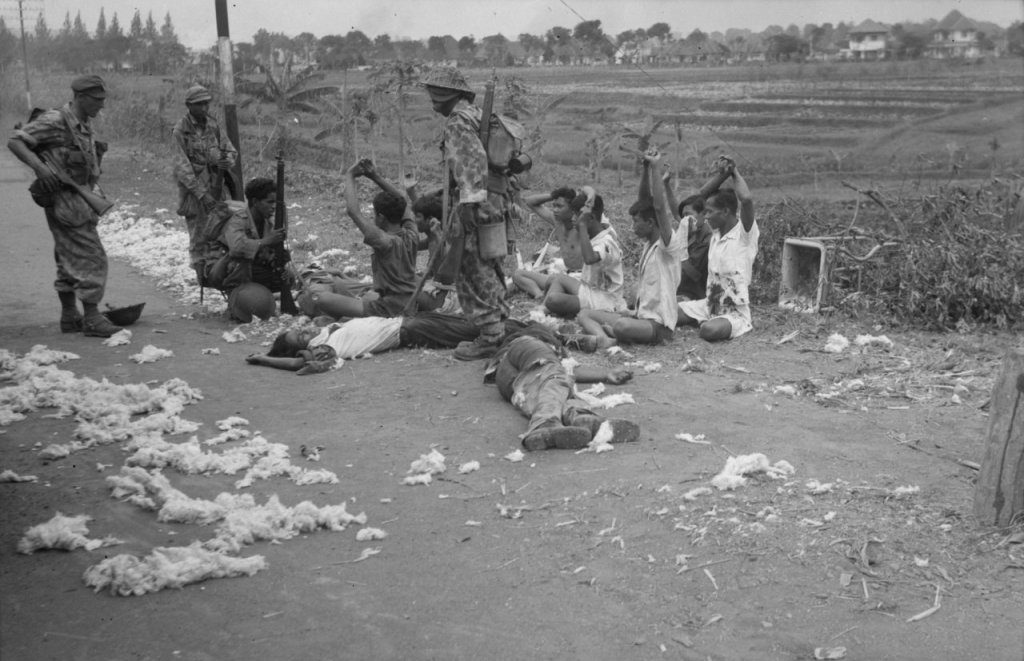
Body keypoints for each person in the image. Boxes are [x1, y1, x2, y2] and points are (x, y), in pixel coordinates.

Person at [7, 74, 121, 338]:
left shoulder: (81, 123)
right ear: (80, 97)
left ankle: (70, 315)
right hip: (65, 201)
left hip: (79, 198)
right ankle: (92, 318)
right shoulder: (56, 120)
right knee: (92, 257)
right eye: (97, 99)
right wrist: (39, 168)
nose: (102, 105)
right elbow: (15, 141)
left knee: (67, 254)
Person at [423, 66, 511, 361]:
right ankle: (496, 325)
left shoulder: (458, 121)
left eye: (434, 97)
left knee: (474, 266)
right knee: (491, 262)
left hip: (477, 203)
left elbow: (472, 161)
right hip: (494, 199)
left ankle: (490, 336)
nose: (433, 104)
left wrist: (469, 205)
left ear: (446, 95)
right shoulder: (476, 115)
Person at [296, 159, 440, 319]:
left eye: (374, 214)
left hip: (387, 308)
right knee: (344, 286)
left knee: (319, 298)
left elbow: (353, 211)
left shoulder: (384, 241)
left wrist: (350, 175)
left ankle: (344, 317)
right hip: (408, 302)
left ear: (381, 217)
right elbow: (403, 203)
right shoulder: (411, 233)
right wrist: (374, 176)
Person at [576, 149, 686, 350]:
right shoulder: (648, 243)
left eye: (636, 222)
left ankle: (615, 332)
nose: (633, 227)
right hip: (640, 317)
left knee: (621, 325)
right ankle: (605, 339)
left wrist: (655, 168)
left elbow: (659, 208)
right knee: (584, 314)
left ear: (651, 223)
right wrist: (645, 169)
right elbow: (645, 200)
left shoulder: (667, 245)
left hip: (659, 326)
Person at [483, 323, 641, 451]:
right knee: (553, 375)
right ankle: (548, 421)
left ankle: (578, 418)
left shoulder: (551, 361)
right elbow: (559, 367)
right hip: (524, 345)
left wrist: (605, 375)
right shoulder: (534, 329)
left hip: (506, 380)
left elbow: (564, 374)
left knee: (548, 384)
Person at [246, 312, 525, 375]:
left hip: (408, 321)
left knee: (469, 323)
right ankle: (521, 332)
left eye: (300, 330)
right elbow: (298, 363)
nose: (305, 332)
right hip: (409, 330)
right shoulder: (326, 348)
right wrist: (264, 359)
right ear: (303, 347)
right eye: (301, 337)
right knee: (469, 329)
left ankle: (519, 327)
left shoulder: (329, 330)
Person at [677, 158, 758, 342]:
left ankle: (715, 323)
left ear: (726, 212)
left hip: (734, 312)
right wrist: (724, 173)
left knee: (708, 331)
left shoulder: (744, 234)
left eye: (709, 212)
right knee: (667, 312)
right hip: (709, 304)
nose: (705, 216)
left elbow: (746, 200)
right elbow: (700, 195)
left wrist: (735, 172)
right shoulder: (716, 232)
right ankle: (705, 319)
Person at [171, 84, 238, 280]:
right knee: (199, 234)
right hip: (194, 193)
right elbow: (182, 169)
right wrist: (202, 195)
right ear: (189, 106)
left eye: (206, 104)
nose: (204, 108)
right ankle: (202, 275)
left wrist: (227, 160)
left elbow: (231, 150)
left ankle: (219, 272)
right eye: (199, 104)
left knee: (221, 229)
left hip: (218, 187)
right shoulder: (180, 131)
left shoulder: (213, 126)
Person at [203, 177, 292, 322]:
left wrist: (279, 258)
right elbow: (237, 248)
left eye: (275, 202)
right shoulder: (238, 220)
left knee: (286, 277)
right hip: (226, 270)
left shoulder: (267, 223)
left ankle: (254, 297)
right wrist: (266, 241)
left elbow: (264, 252)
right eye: (269, 202)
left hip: (248, 268)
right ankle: (238, 299)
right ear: (255, 202)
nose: (274, 207)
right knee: (241, 263)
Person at [539, 191, 626, 318]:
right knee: (559, 278)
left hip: (604, 301)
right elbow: (588, 190)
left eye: (577, 215)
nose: (573, 218)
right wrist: (588, 198)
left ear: (590, 218)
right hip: (589, 290)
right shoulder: (594, 235)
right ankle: (541, 310)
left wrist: (583, 227)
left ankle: (544, 311)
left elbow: (590, 258)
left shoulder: (606, 242)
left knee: (553, 300)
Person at [512, 186, 585, 298]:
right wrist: (555, 195)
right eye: (554, 206)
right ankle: (539, 294)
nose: (555, 210)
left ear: (572, 208)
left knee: (558, 284)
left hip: (581, 280)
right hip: (563, 276)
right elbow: (530, 202)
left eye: (559, 206)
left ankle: (556, 294)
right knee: (518, 274)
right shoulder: (557, 221)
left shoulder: (583, 226)